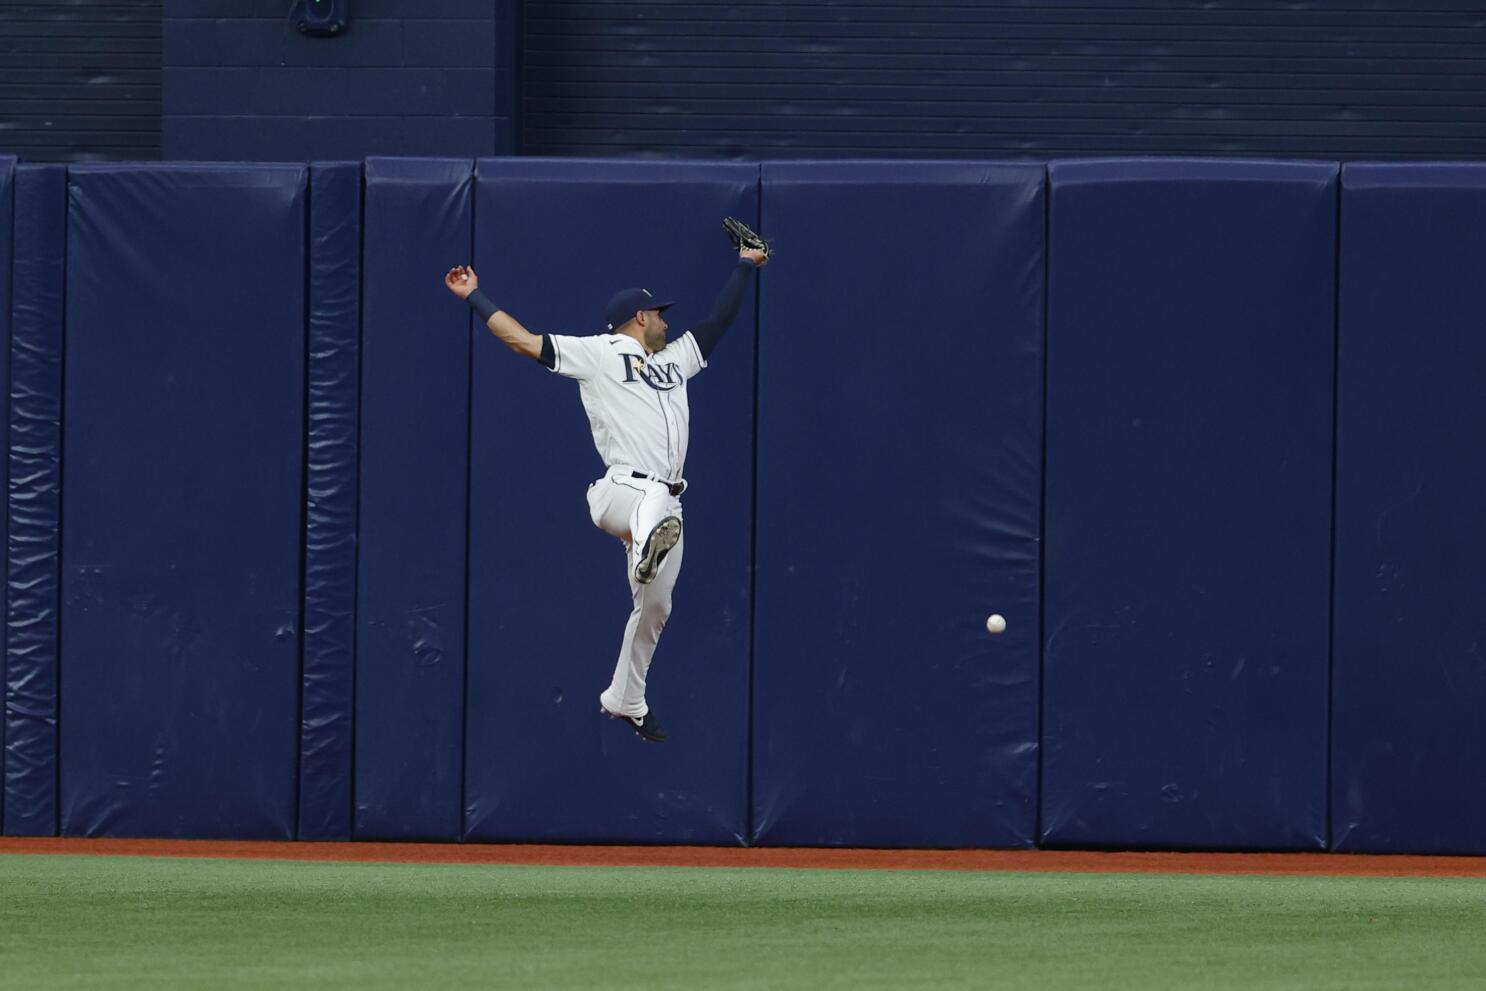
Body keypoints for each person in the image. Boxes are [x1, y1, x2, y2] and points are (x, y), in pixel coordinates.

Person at [443, 237, 768, 743]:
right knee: (656, 506)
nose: (666, 321)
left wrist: (746, 265)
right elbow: (524, 341)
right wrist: (474, 296)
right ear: (639, 316)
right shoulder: (598, 352)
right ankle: (646, 544)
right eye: (659, 314)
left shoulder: (676, 360)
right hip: (621, 492)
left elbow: (718, 322)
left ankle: (625, 698)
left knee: (656, 607)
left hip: (666, 503)